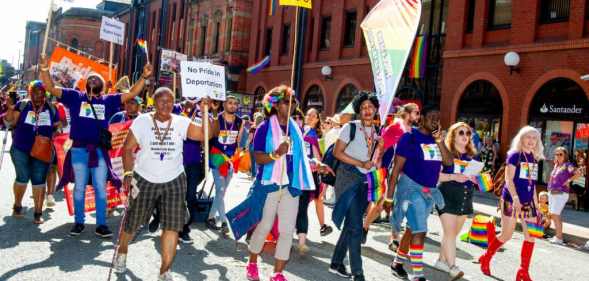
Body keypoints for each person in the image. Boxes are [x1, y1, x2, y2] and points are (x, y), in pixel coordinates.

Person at [39, 56, 153, 237]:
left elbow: (131, 94)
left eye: (97, 78)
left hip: (99, 151)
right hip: (78, 151)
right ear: (85, 84)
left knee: (100, 186)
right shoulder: (75, 97)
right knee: (79, 187)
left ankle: (101, 224)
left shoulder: (108, 100)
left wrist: (144, 78)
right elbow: (50, 87)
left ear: (102, 86)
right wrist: (44, 70)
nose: (93, 79)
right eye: (90, 78)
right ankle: (79, 222)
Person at [114, 87, 215, 281]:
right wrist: (128, 172)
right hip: (144, 179)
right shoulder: (142, 121)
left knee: (172, 227)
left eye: (170, 101)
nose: (166, 104)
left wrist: (208, 111)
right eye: (161, 100)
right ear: (153, 102)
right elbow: (127, 149)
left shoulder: (181, 122)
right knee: (133, 223)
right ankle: (122, 251)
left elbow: (205, 135)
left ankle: (164, 271)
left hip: (174, 181)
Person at [231, 86, 326, 281]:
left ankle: (278, 273)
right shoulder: (265, 128)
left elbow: (298, 158)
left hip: (291, 187)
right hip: (270, 184)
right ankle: (252, 262)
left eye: (294, 102)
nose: (291, 106)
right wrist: (275, 154)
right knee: (265, 226)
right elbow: (257, 157)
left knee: (287, 230)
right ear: (275, 105)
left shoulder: (296, 129)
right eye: (286, 101)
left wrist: (315, 163)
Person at [385, 105, 452, 281]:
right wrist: (389, 196)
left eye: (438, 117)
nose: (435, 120)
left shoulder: (437, 141)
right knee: (420, 230)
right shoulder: (410, 138)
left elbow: (449, 162)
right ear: (421, 118)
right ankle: (418, 275)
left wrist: (440, 141)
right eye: (432, 116)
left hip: (429, 192)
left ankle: (397, 263)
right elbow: (396, 169)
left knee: (412, 228)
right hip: (410, 189)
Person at [478, 126, 544, 281]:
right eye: (528, 137)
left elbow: (532, 184)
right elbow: (509, 180)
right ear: (521, 138)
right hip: (511, 200)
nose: (531, 141)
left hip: (528, 202)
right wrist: (515, 198)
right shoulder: (514, 156)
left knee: (531, 237)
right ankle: (486, 257)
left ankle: (523, 271)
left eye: (534, 138)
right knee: (507, 235)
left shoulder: (534, 158)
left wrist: (537, 205)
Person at [329, 92, 382, 281]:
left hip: (364, 182)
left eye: (370, 107)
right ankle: (358, 273)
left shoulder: (377, 133)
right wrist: (360, 163)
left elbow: (375, 161)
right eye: (363, 107)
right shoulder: (350, 127)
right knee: (356, 227)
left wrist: (379, 151)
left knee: (351, 225)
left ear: (375, 109)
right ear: (359, 110)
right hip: (347, 178)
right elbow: (337, 152)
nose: (367, 110)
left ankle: (336, 263)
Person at [4, 80, 60, 224]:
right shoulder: (22, 105)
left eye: (41, 92)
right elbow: (10, 121)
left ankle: (37, 213)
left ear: (45, 93)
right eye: (35, 92)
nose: (38, 95)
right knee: (22, 177)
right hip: (21, 148)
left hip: (42, 150)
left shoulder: (51, 108)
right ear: (30, 92)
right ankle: (17, 206)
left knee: (39, 180)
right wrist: (10, 108)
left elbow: (57, 126)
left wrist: (54, 135)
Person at [363, 103, 419, 246]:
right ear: (406, 113)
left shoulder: (413, 132)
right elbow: (381, 148)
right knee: (381, 205)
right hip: (389, 171)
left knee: (399, 206)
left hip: (405, 174)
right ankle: (364, 227)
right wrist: (378, 168)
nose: (418, 116)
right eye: (416, 113)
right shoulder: (395, 127)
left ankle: (394, 238)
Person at [434, 122, 478, 280]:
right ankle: (453, 267)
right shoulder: (445, 153)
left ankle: (441, 261)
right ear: (453, 135)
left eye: (467, 133)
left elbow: (476, 178)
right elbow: (435, 175)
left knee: (450, 234)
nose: (465, 136)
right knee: (450, 234)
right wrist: (453, 176)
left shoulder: (472, 156)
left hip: (465, 197)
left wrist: (476, 178)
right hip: (446, 196)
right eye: (461, 133)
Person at [295, 108, 333, 255]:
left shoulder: (313, 135)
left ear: (318, 120)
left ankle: (304, 237)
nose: (309, 117)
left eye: (313, 115)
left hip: (308, 175)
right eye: (308, 114)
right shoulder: (300, 129)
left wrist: (318, 168)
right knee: (302, 204)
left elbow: (317, 157)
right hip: (295, 174)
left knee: (307, 204)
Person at [206, 95, 244, 234]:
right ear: (224, 104)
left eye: (235, 103)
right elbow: (212, 135)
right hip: (217, 157)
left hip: (230, 159)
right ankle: (223, 222)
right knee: (220, 190)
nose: (232, 105)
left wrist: (237, 157)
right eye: (230, 103)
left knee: (221, 192)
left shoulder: (240, 122)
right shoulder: (216, 118)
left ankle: (210, 217)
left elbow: (239, 142)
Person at [546, 147, 580, 245]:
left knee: (555, 215)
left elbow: (578, 173)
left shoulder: (567, 165)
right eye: (556, 154)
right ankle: (558, 236)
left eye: (560, 154)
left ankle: (559, 238)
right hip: (552, 192)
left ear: (565, 155)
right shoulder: (556, 165)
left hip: (560, 193)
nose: (558, 156)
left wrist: (569, 180)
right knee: (554, 215)